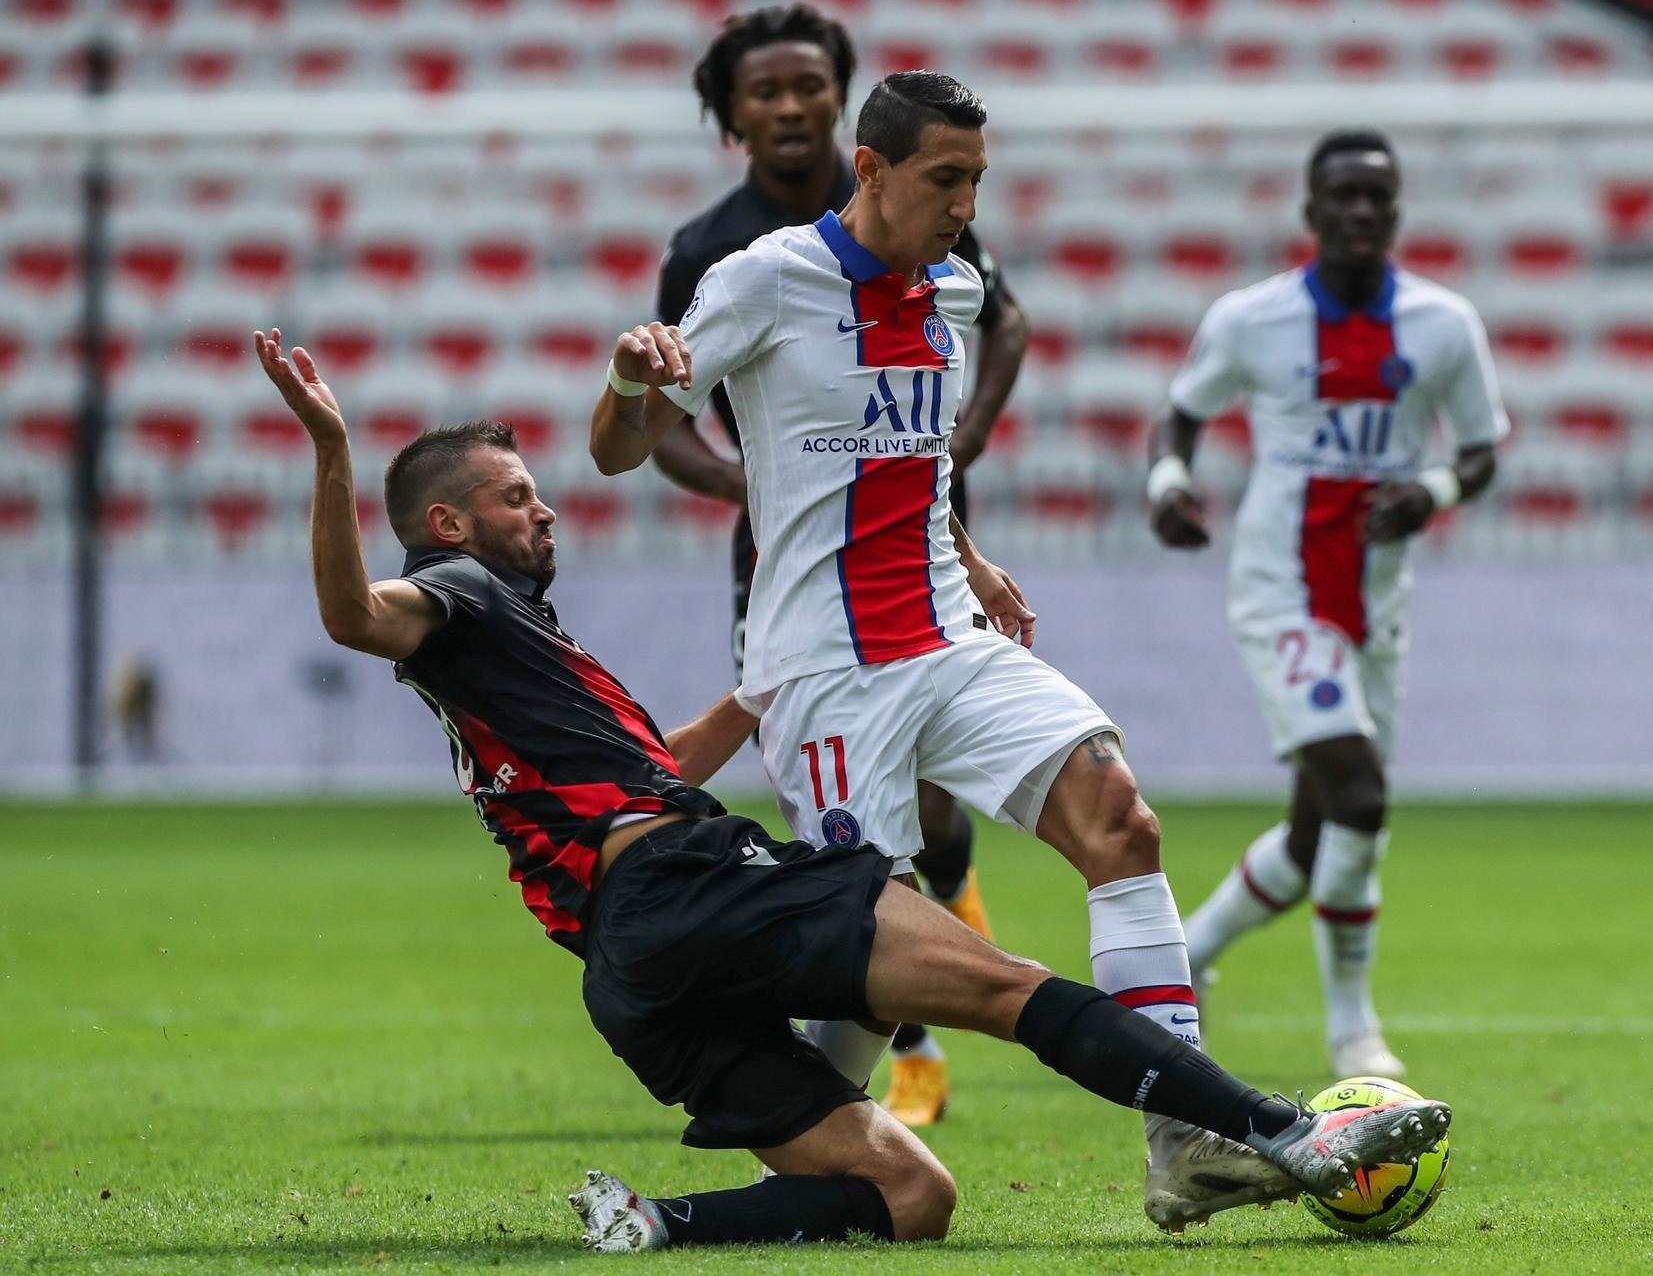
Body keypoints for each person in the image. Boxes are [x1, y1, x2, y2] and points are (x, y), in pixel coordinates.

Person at [252, 327, 1451, 1252]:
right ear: (451, 519)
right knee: (1006, 984)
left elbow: (647, 771)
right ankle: (1285, 1134)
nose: (545, 505)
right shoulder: (455, 588)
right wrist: (332, 452)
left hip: (634, 975)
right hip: (687, 882)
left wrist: (758, 691)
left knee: (912, 1194)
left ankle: (656, 1222)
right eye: (518, 495)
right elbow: (355, 613)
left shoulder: (512, 654)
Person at [649, 3, 1030, 1128]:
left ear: (840, 100)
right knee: (846, 815)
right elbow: (663, 410)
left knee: (929, 784)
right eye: (762, 91)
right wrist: (745, 483)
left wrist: (959, 443)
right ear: (731, 114)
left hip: (917, 527)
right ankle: (889, 1048)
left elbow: (1002, 322)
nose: (787, 105)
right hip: (792, 553)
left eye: (807, 84)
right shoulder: (714, 250)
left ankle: (886, 1000)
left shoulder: (926, 199)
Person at [1147, 130, 1507, 1079]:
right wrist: (1169, 484)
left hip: (1377, 602)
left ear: (1395, 213)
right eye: (1340, 198)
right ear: (1311, 215)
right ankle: (1353, 1026)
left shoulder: (1442, 324)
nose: (1358, 213)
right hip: (1282, 591)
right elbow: (1180, 413)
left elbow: (1480, 449)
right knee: (1362, 794)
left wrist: (1434, 491)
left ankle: (1181, 963)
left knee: (1320, 834)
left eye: (1375, 199)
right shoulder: (1251, 319)